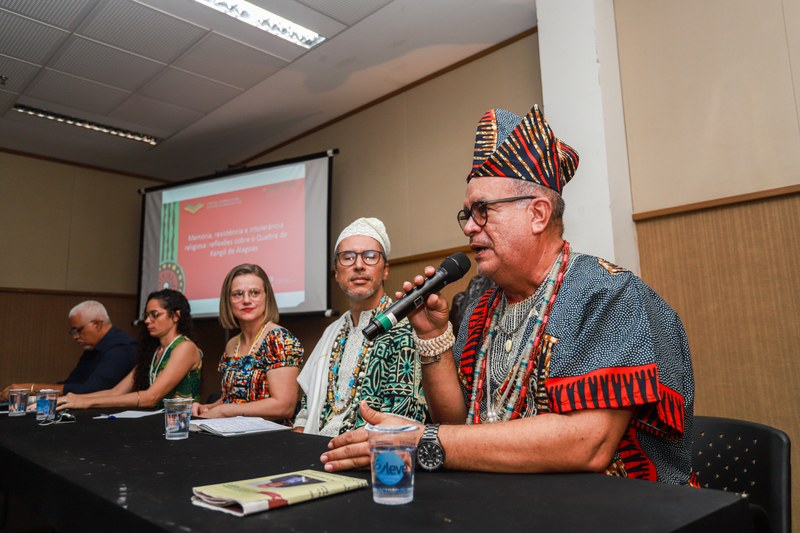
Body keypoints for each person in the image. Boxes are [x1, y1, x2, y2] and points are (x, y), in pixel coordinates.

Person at [321, 104, 696, 486]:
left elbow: (588, 444)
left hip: (618, 508)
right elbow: (460, 423)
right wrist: (432, 337)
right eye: (466, 213)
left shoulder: (609, 294)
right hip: (506, 496)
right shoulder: (481, 298)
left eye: (482, 210)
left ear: (538, 214)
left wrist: (424, 440)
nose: (468, 227)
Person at [294, 217, 427, 436]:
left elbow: (402, 420)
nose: (358, 265)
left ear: (385, 270)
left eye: (370, 257)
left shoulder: (404, 330)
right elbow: (308, 405)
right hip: (315, 448)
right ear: (336, 273)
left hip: (369, 452)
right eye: (347, 258)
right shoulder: (332, 332)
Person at [191, 264, 302, 424]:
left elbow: (284, 406)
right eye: (238, 294)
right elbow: (233, 398)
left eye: (254, 293)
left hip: (270, 436)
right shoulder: (232, 344)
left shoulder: (278, 338)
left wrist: (224, 411)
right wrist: (207, 408)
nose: (246, 300)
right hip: (231, 429)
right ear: (228, 301)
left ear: (266, 297)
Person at [57, 289, 202, 410]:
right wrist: (73, 398)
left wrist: (88, 402)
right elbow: (116, 392)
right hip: (158, 423)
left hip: (180, 427)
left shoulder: (185, 347)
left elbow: (151, 397)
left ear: (176, 316)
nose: (147, 321)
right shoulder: (154, 351)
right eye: (146, 316)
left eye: (155, 315)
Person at [1, 300, 136, 400]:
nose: (75, 337)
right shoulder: (93, 347)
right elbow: (71, 383)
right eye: (72, 332)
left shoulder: (122, 348)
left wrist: (32, 388)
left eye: (78, 330)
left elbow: (93, 390)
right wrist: (38, 393)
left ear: (97, 324)